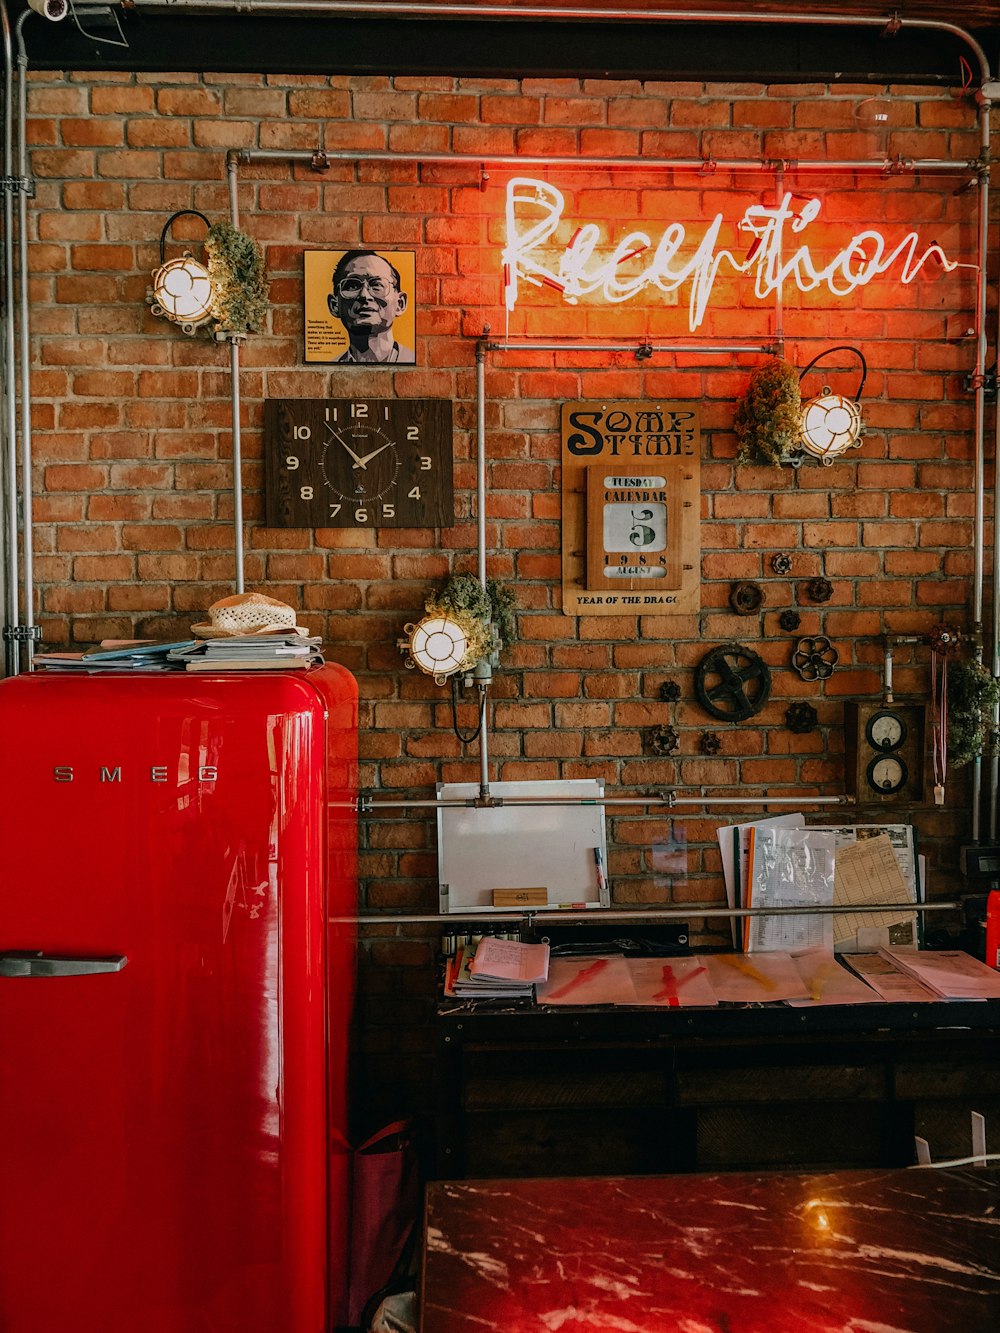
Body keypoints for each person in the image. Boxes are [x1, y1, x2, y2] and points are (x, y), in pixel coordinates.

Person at [328, 250, 415, 364]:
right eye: (352, 286)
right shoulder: (328, 368)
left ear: (400, 303)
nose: (364, 295)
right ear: (335, 305)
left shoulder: (412, 360)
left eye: (377, 285)